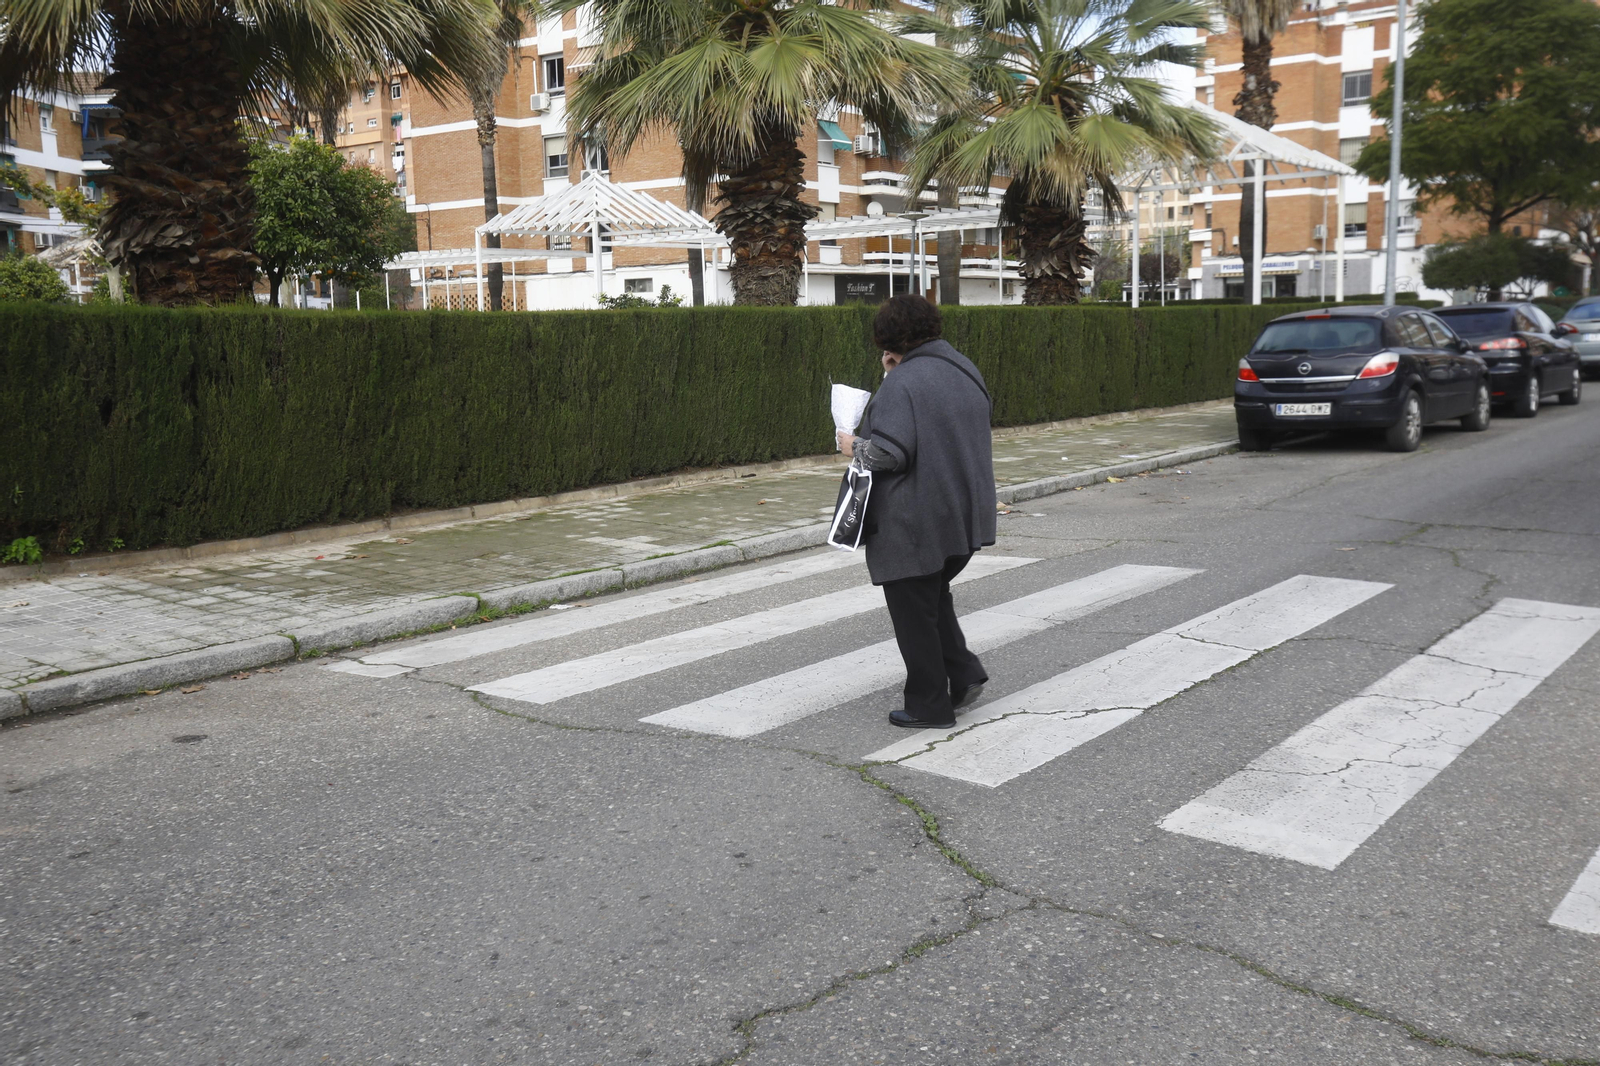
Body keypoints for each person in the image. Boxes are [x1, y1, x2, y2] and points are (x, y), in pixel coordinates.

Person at [836, 295, 997, 729]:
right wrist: (897, 371)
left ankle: (929, 706)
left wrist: (852, 445)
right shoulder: (963, 367)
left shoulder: (903, 382)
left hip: (915, 519)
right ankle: (964, 673)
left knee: (913, 612)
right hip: (963, 513)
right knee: (930, 596)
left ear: (888, 339)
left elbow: (888, 453)